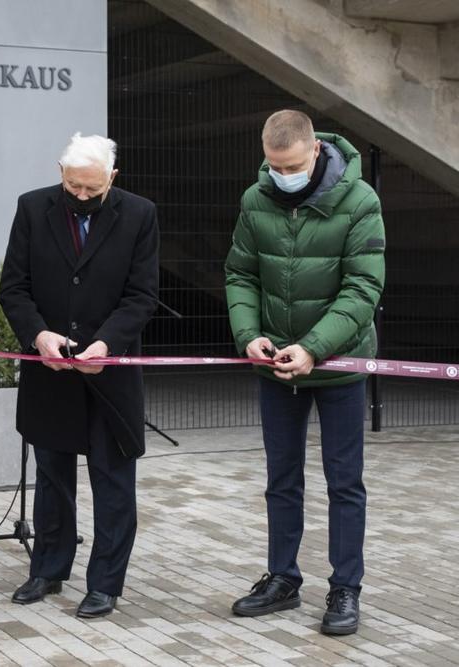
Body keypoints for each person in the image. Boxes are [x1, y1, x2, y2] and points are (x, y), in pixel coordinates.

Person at [225, 110, 385, 635]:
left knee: (345, 483)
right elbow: (240, 273)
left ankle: (346, 588)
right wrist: (249, 335)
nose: (281, 175)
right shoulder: (256, 199)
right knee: (281, 479)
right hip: (277, 370)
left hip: (337, 366)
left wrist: (314, 348)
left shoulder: (361, 202)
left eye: (290, 165)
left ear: (315, 151)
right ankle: (282, 578)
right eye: (273, 166)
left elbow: (363, 288)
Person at [0, 132, 159, 619]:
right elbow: (14, 288)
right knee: (52, 477)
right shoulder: (32, 208)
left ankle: (105, 583)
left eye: (93, 189)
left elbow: (141, 295)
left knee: (113, 480)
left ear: (112, 177)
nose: (82, 197)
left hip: (110, 373)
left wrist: (106, 344)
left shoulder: (139, 214)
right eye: (74, 187)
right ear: (60, 173)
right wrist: (38, 336)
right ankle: (48, 569)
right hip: (50, 371)